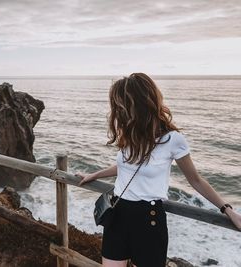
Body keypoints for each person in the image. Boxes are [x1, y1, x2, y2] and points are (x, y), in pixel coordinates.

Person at [76, 73, 241, 267]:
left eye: (122, 106)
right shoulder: (131, 135)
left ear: (139, 104)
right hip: (118, 214)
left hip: (149, 219)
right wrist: (94, 175)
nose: (118, 112)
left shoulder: (173, 140)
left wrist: (227, 210)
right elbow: (127, 166)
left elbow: (195, 180)